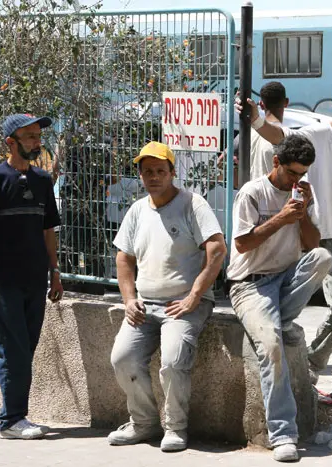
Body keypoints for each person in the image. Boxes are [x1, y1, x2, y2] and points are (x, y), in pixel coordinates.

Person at [237, 79, 332, 405]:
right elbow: (281, 140)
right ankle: (309, 365)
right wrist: (256, 120)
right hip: (330, 237)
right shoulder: (318, 136)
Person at [108, 141, 227, 452]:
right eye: (148, 172)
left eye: (161, 171)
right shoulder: (137, 210)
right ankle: (144, 423)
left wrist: (194, 296)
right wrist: (129, 298)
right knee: (122, 358)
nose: (154, 177)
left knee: (173, 361)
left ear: (173, 173)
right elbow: (124, 257)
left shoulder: (192, 204)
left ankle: (175, 428)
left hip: (184, 305)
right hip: (145, 304)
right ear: (141, 176)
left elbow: (216, 251)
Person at [227, 134, 332, 462]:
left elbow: (314, 244)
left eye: (303, 175)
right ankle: (283, 434)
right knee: (272, 348)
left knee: (324, 258)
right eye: (291, 173)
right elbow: (243, 244)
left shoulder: (301, 194)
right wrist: (280, 218)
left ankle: (278, 318)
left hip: (286, 278)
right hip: (251, 284)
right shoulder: (252, 193)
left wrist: (301, 216)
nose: (296, 180)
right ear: (276, 163)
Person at [0, 113, 63, 439]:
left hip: (36, 280)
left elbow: (48, 230)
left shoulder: (42, 181)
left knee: (27, 346)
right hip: (5, 281)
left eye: (38, 136)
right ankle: (11, 420)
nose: (37, 142)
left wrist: (55, 272)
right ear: (11, 142)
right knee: (14, 349)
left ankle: (15, 415)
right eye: (30, 137)